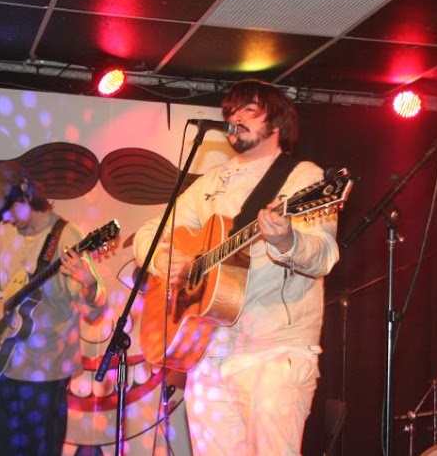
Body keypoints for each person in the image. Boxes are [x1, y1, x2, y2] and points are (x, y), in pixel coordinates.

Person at [133, 79, 340, 455]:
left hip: (272, 352)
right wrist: (164, 259)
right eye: (231, 111)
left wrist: (286, 240)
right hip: (208, 353)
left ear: (276, 123)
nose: (235, 117)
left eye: (250, 110)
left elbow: (323, 254)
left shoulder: (303, 178)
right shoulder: (212, 181)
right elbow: (150, 231)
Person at [0, 162, 108, 456]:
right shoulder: (4, 235)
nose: (7, 218)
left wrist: (90, 285)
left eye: (10, 209)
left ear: (26, 193)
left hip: (46, 374)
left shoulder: (67, 236)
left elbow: (92, 310)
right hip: (1, 367)